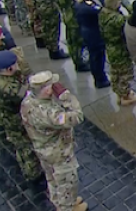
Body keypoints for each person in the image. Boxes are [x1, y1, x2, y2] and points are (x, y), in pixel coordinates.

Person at [21, 71, 87, 211]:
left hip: (43, 149)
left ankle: (59, 201)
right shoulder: (50, 114)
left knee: (52, 179)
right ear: (45, 90)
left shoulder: (28, 102)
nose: (56, 86)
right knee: (66, 182)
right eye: (52, 85)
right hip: (59, 153)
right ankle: (66, 207)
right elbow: (77, 117)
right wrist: (65, 96)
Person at [0, 51, 43, 183]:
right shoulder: (7, 87)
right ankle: (33, 173)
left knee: (21, 144)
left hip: (8, 117)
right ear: (9, 69)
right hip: (15, 120)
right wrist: (30, 82)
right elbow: (22, 94)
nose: (18, 65)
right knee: (25, 147)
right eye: (15, 64)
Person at [99, 0, 136, 106]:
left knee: (116, 72)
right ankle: (125, 96)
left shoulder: (103, 13)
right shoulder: (117, 19)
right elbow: (134, 18)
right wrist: (128, 6)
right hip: (119, 49)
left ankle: (120, 93)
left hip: (111, 47)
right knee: (124, 73)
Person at [54, 0, 89, 72]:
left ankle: (77, 60)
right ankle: (79, 63)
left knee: (71, 40)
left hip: (67, 14)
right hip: (74, 16)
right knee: (77, 41)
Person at [74, 0, 110, 88]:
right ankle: (100, 80)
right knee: (97, 58)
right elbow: (105, 10)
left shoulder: (81, 2)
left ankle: (99, 77)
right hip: (93, 35)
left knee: (95, 57)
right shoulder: (87, 8)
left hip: (87, 32)